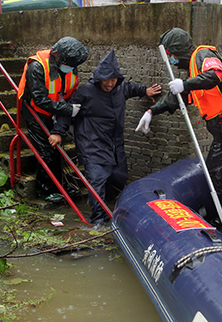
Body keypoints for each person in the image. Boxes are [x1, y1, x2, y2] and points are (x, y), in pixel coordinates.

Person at [135, 28, 222, 245]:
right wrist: (151, 111)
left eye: (172, 55)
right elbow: (177, 97)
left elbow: (215, 76)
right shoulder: (193, 71)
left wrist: (185, 84)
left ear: (178, 51)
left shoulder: (204, 56)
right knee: (216, 171)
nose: (172, 60)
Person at [55, 50, 161, 228]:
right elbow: (67, 112)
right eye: (106, 80)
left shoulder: (120, 88)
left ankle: (106, 204)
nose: (110, 83)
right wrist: (58, 132)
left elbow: (131, 88)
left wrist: (146, 91)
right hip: (92, 143)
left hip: (113, 143)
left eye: (113, 79)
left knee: (119, 176)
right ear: (99, 78)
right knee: (97, 179)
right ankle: (98, 220)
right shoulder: (85, 92)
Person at [17, 37, 89, 202]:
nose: (71, 68)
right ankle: (45, 190)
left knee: (57, 149)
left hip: (57, 109)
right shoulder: (37, 67)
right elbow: (40, 99)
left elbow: (69, 88)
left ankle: (60, 186)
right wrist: (68, 110)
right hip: (35, 110)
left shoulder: (70, 66)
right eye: (69, 65)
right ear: (58, 57)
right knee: (46, 150)